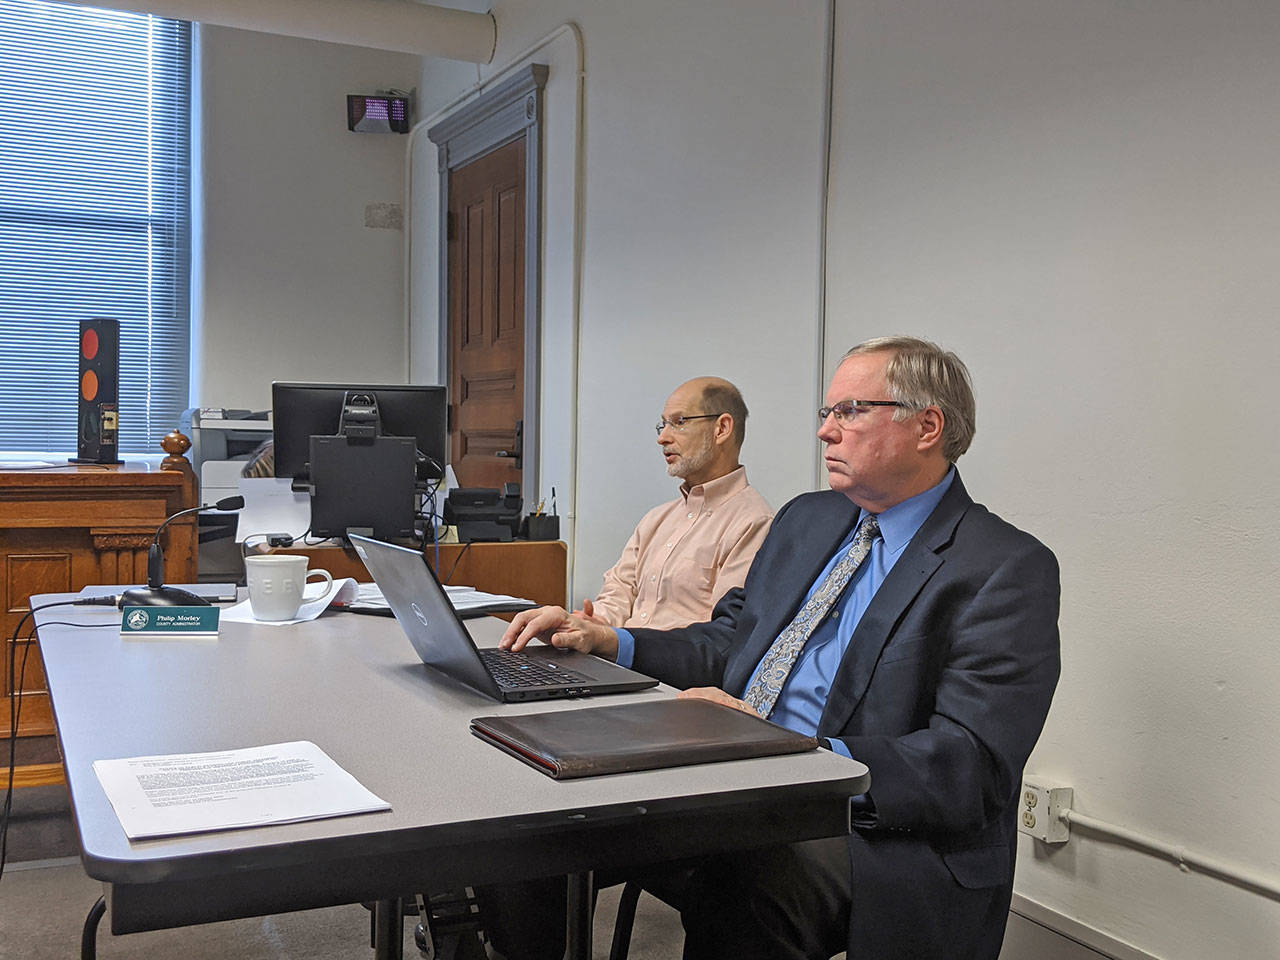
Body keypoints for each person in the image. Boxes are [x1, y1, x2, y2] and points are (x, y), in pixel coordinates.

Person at [498, 337, 1061, 960]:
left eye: (850, 411)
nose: (826, 431)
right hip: (736, 778)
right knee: (529, 829)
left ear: (927, 427)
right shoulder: (808, 519)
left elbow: (970, 764)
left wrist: (791, 752)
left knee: (748, 882)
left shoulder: (1004, 567)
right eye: (827, 412)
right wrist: (610, 640)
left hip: (865, 819)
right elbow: (730, 641)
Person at [579, 376, 773, 630]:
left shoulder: (753, 523)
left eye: (679, 422)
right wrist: (595, 621)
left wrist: (622, 643)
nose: (662, 438)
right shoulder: (656, 519)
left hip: (667, 656)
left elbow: (722, 634)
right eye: (663, 424)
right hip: (619, 650)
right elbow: (620, 590)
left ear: (722, 429)